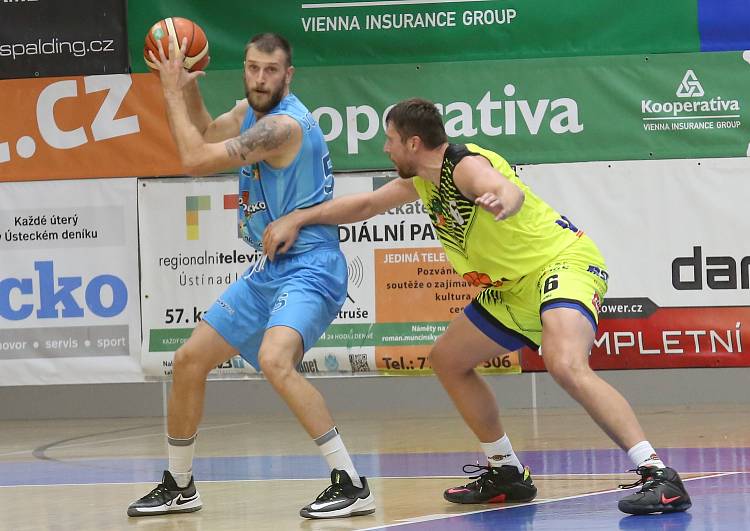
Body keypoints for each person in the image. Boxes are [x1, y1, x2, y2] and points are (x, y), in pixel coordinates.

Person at [262, 98, 692, 515]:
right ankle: (505, 471)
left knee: (564, 364)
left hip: (560, 265)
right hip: (510, 289)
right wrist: (299, 218)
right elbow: (368, 204)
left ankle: (658, 475)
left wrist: (505, 198)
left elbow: (498, 185)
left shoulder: (463, 165)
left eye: (390, 139)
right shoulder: (422, 180)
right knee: (448, 360)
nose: (385, 148)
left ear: (413, 143)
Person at [127, 33, 375, 520]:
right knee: (188, 359)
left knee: (274, 359)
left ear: (289, 75)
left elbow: (195, 160)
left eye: (270, 70)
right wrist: (191, 87)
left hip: (312, 266)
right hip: (272, 268)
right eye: (252, 68)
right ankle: (180, 483)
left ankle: (350, 481)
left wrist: (171, 90)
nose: (260, 78)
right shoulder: (249, 113)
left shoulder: (282, 127)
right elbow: (203, 130)